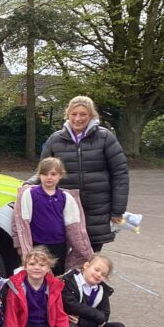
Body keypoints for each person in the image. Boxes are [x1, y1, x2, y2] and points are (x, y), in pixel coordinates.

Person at [29, 95, 129, 251]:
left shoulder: (105, 137)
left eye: (83, 114)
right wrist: (29, 184)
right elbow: (42, 170)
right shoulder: (55, 140)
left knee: (90, 256)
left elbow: (120, 174)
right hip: (64, 206)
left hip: (97, 208)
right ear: (68, 114)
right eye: (74, 114)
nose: (78, 118)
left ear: (91, 115)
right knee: (61, 255)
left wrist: (118, 210)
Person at [12, 157, 92, 275]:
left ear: (60, 175)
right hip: (37, 243)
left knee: (58, 275)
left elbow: (73, 225)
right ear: (39, 175)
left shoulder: (65, 197)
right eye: (44, 174)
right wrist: (20, 245)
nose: (49, 177)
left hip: (59, 244)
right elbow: (21, 222)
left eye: (53, 174)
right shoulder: (31, 194)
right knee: (37, 274)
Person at [3, 246, 83, 327]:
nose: (37, 268)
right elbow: (11, 316)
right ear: (25, 266)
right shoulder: (16, 287)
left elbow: (60, 314)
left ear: (48, 268)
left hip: (44, 324)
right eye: (32, 264)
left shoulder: (53, 286)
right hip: (25, 324)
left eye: (42, 265)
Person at [61, 254, 137, 327]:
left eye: (103, 274)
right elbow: (71, 306)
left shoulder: (101, 289)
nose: (98, 275)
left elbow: (104, 316)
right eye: (96, 270)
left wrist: (81, 322)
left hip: (85, 324)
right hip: (67, 324)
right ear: (86, 266)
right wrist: (97, 316)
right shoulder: (69, 281)